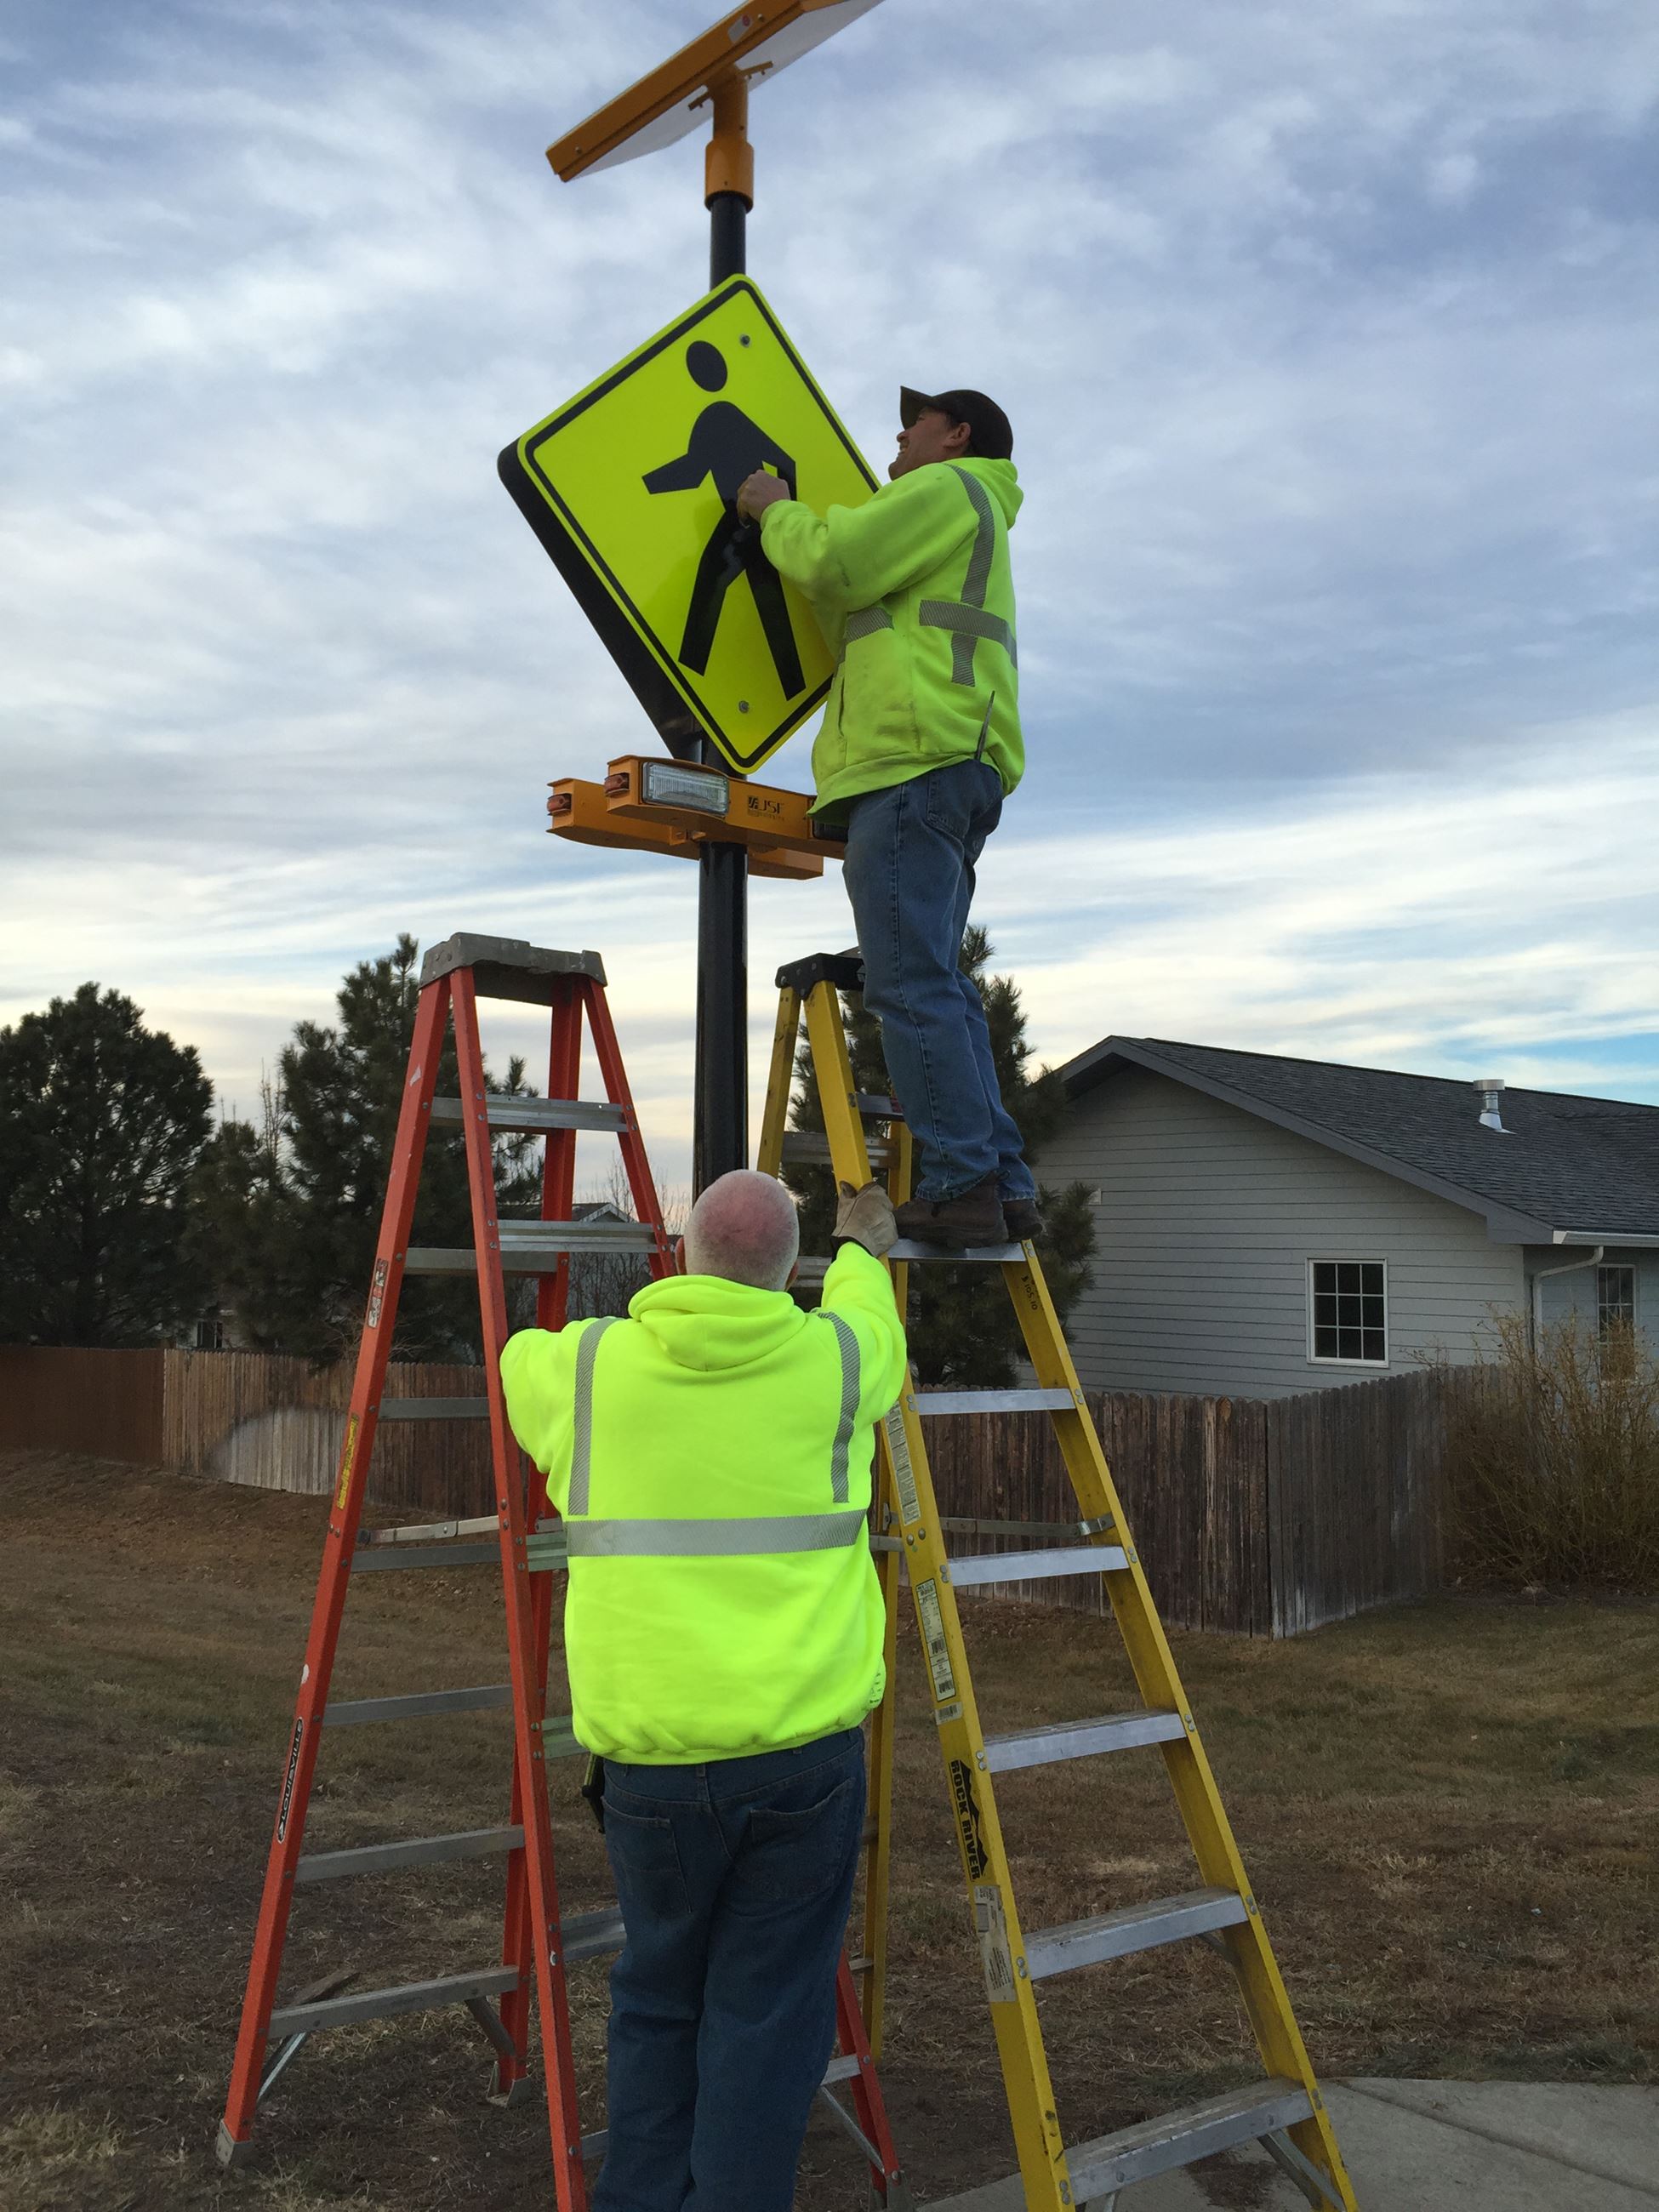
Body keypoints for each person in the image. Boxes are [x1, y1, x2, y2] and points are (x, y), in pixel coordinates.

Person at [499, 1169, 907, 2212]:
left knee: (657, 2001)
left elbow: (517, 1353)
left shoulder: (589, 1369)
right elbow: (868, 1308)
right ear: (789, 1268)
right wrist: (860, 1243)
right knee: (765, 2020)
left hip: (653, 1769)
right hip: (801, 1763)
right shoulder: (839, 1358)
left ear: (679, 1251)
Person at [737, 386, 1039, 1248]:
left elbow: (834, 560)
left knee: (909, 984)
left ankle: (961, 1184)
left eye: (915, 423)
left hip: (916, 762)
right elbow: (845, 600)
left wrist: (772, 510)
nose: (898, 436)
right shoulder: (963, 513)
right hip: (947, 764)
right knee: (935, 979)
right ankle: (1003, 1184)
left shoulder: (945, 488)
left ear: (958, 434)